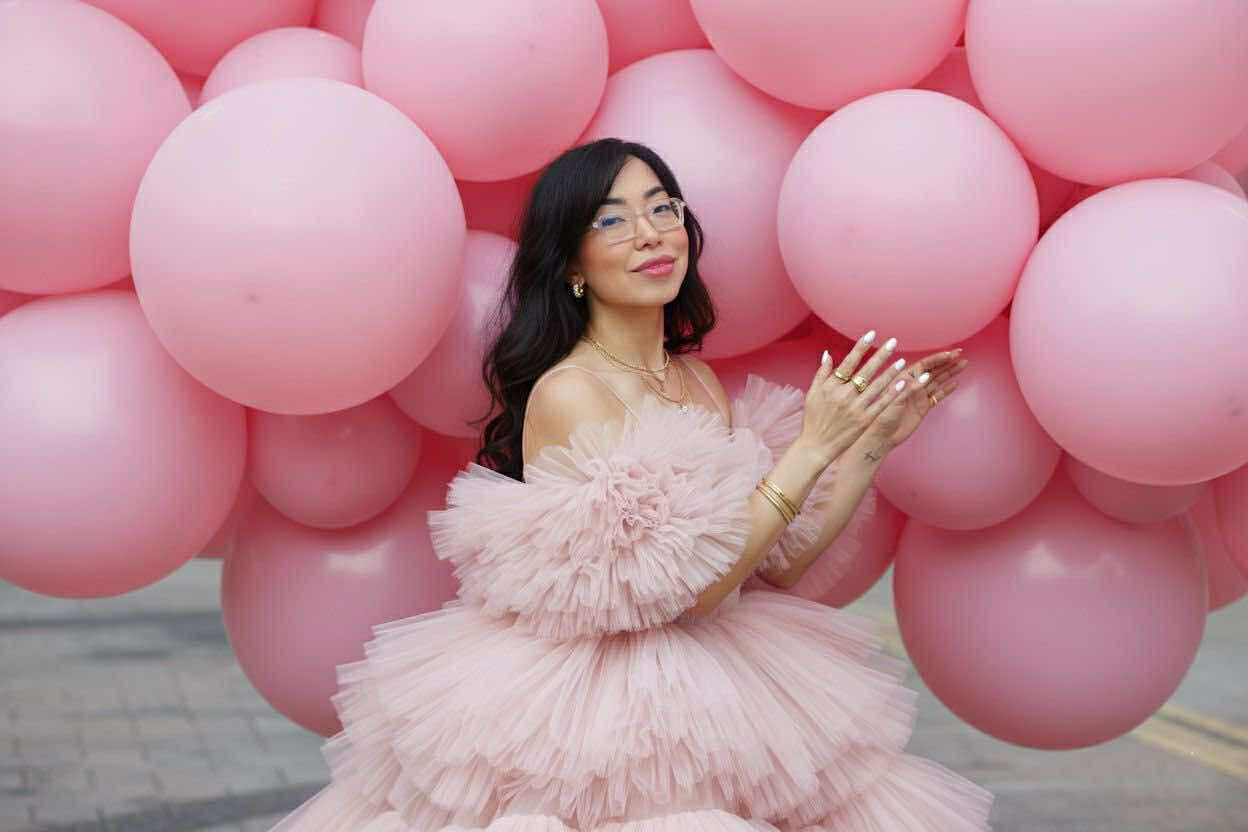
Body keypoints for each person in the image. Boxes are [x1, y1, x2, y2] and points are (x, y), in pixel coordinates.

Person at [267, 138, 988, 831]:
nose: (650, 234)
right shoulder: (572, 392)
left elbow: (772, 563)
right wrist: (809, 449)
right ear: (572, 264)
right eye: (611, 220)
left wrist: (867, 448)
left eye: (662, 208)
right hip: (603, 715)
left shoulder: (695, 379)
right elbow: (683, 592)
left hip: (720, 679)